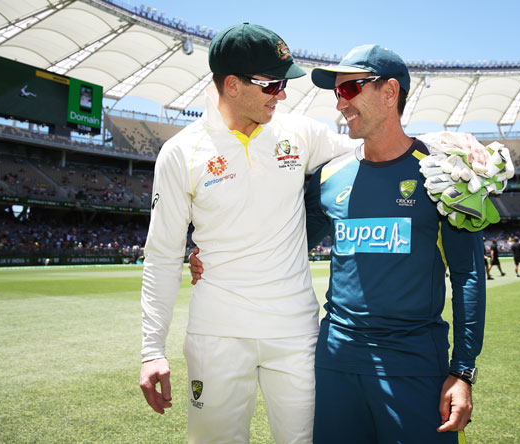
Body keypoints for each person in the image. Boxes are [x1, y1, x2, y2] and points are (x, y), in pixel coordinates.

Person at [139, 23, 357, 444]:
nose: (283, 94)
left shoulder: (301, 133)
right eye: (272, 84)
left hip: (295, 330)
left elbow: (375, 150)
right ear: (233, 85)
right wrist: (152, 350)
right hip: (216, 333)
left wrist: (449, 145)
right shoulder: (181, 152)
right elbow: (162, 255)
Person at [304, 44, 486, 444]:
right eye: (337, 93)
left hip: (414, 365)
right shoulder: (328, 176)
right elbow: (284, 242)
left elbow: (469, 275)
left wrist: (463, 370)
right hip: (337, 362)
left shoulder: (443, 174)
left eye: (349, 89)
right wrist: (208, 250)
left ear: (390, 93)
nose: (340, 104)